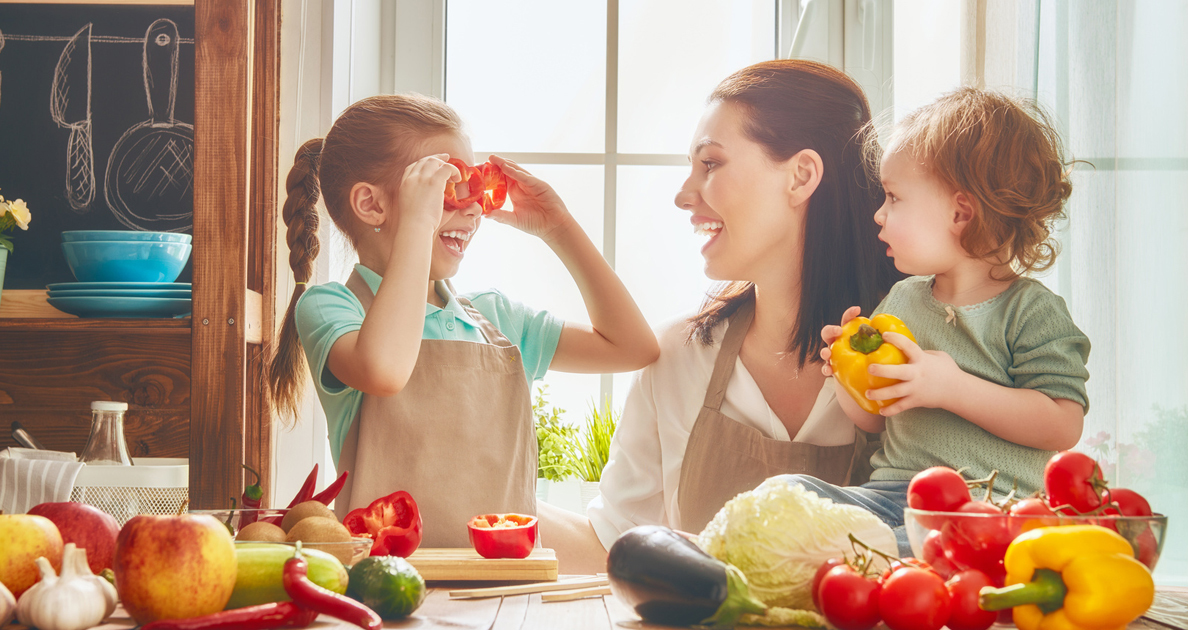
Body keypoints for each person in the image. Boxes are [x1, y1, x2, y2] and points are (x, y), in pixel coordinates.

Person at [539, 60, 903, 571]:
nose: (683, 195)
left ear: (801, 176)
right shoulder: (674, 357)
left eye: (710, 164)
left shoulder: (914, 356)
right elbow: (613, 545)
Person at [266, 94, 659, 547]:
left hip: (504, 580)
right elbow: (385, 370)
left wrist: (559, 227)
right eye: (448, 189)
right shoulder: (331, 307)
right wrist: (418, 221)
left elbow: (633, 347)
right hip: (391, 583)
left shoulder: (495, 319)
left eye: (477, 187)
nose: (473, 209)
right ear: (372, 205)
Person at [796, 87, 1090, 551]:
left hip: (993, 509)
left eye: (893, 197)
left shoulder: (1031, 311)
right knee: (792, 493)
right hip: (896, 495)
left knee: (902, 548)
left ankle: (864, 564)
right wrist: (845, 373)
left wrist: (953, 387)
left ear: (960, 212)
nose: (879, 213)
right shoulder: (902, 300)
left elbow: (1062, 424)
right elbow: (873, 421)